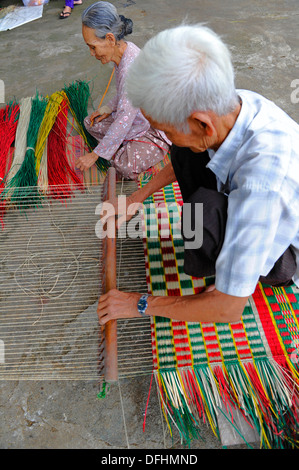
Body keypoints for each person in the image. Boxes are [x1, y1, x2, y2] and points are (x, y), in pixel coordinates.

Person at [97, 24, 299, 325]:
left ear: (204, 124)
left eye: (165, 130)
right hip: (253, 200)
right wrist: (136, 198)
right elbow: (186, 151)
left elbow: (228, 310)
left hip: (288, 253)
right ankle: (223, 257)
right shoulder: (230, 103)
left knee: (202, 212)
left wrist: (139, 303)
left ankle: (236, 272)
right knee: (184, 151)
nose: (163, 138)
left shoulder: (262, 183)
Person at [75, 1, 171, 179]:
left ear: (110, 39)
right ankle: (121, 144)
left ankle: (152, 147)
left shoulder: (131, 69)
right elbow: (124, 97)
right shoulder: (124, 51)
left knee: (124, 166)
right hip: (134, 119)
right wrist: (108, 109)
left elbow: (124, 119)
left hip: (152, 128)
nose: (91, 53)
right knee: (91, 123)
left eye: (93, 47)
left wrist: (96, 154)